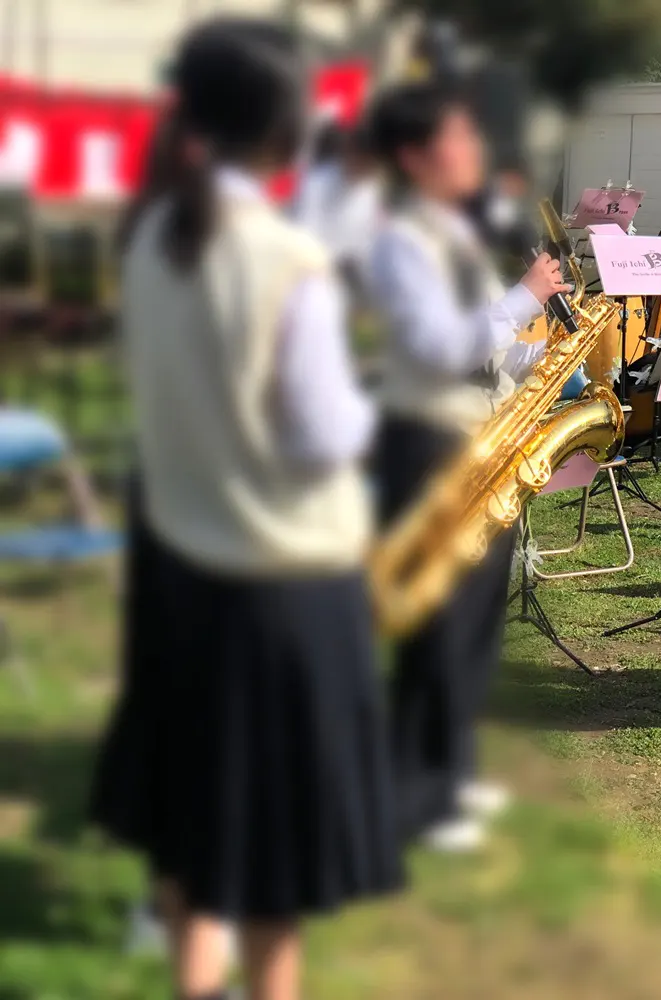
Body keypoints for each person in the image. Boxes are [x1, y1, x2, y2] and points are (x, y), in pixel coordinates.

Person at [89, 19, 402, 1000]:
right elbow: (325, 436)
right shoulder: (282, 256)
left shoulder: (149, 239)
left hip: (180, 575)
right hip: (280, 596)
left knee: (192, 841)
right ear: (285, 123)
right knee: (272, 873)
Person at [365, 79, 569, 850]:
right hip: (428, 447)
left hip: (485, 441)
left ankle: (444, 775)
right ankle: (412, 790)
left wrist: (553, 354)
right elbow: (437, 349)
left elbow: (489, 355)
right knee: (437, 623)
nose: (475, 153)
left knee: (475, 620)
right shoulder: (398, 243)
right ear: (415, 156)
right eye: (458, 139)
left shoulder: (463, 240)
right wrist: (525, 296)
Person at [291, 119, 381, 299]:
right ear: (350, 153)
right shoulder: (315, 184)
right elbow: (304, 237)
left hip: (349, 273)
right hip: (310, 276)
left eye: (373, 166)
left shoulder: (370, 189)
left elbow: (365, 242)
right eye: (364, 162)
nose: (367, 171)